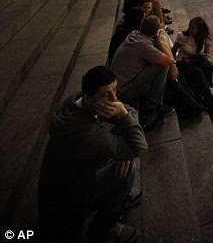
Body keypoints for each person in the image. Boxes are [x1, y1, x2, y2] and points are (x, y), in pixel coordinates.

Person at [38, 65, 147, 243]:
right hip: (68, 204)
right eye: (106, 94)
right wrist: (124, 118)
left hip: (71, 180)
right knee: (126, 171)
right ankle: (104, 229)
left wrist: (123, 114)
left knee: (122, 154)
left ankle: (117, 198)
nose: (114, 100)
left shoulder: (75, 101)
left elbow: (127, 110)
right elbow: (139, 146)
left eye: (114, 90)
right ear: (88, 99)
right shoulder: (86, 134)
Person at [111, 15, 177, 131]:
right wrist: (160, 43)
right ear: (156, 31)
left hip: (117, 84)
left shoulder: (135, 33)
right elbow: (169, 60)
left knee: (160, 59)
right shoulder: (144, 46)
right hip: (123, 91)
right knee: (161, 66)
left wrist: (158, 41)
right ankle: (153, 108)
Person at [172, 17, 213, 120]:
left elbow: (207, 53)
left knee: (208, 65)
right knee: (197, 72)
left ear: (200, 30)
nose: (190, 29)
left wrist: (204, 55)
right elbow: (173, 51)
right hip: (182, 63)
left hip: (195, 60)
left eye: (193, 28)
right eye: (190, 26)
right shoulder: (183, 36)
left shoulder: (205, 37)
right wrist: (173, 65)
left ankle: (208, 88)